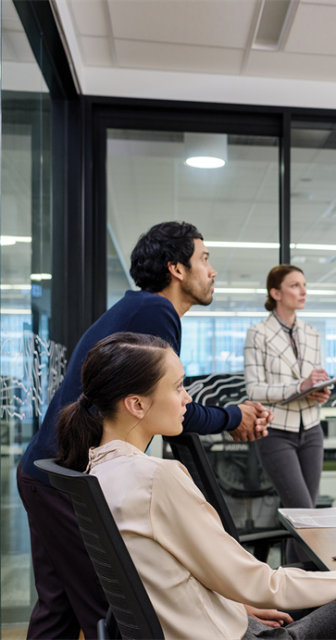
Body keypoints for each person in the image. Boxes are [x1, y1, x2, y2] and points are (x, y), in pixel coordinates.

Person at [56, 332, 336, 640]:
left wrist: (233, 606)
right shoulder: (156, 477)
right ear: (137, 405)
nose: (187, 398)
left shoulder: (95, 471)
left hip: (210, 625)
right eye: (177, 387)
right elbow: (266, 585)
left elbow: (167, 578)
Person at [17, 221, 273, 640]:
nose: (212, 271)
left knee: (59, 607)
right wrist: (233, 417)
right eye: (204, 259)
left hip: (46, 472)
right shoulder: (156, 312)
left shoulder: (140, 309)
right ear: (176, 268)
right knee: (116, 612)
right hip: (61, 480)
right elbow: (169, 412)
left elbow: (162, 404)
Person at [243, 264, 330, 562]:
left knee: (303, 516)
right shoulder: (258, 334)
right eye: (295, 285)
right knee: (304, 514)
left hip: (312, 429)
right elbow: (254, 389)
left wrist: (318, 390)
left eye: (304, 285)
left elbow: (311, 381)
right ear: (275, 292)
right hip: (277, 432)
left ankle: (295, 583)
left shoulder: (312, 333)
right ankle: (301, 587)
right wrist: (300, 385)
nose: (303, 291)